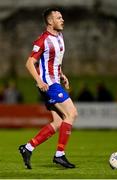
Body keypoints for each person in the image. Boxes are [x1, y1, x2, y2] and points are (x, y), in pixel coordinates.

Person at [18, 8, 78, 169]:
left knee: (58, 121)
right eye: (59, 18)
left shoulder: (59, 36)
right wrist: (39, 81)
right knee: (71, 114)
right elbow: (29, 63)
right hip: (49, 84)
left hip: (54, 81)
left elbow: (53, 60)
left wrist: (61, 74)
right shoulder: (42, 40)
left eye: (62, 17)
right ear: (50, 21)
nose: (62, 20)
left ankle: (28, 147)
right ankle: (60, 155)